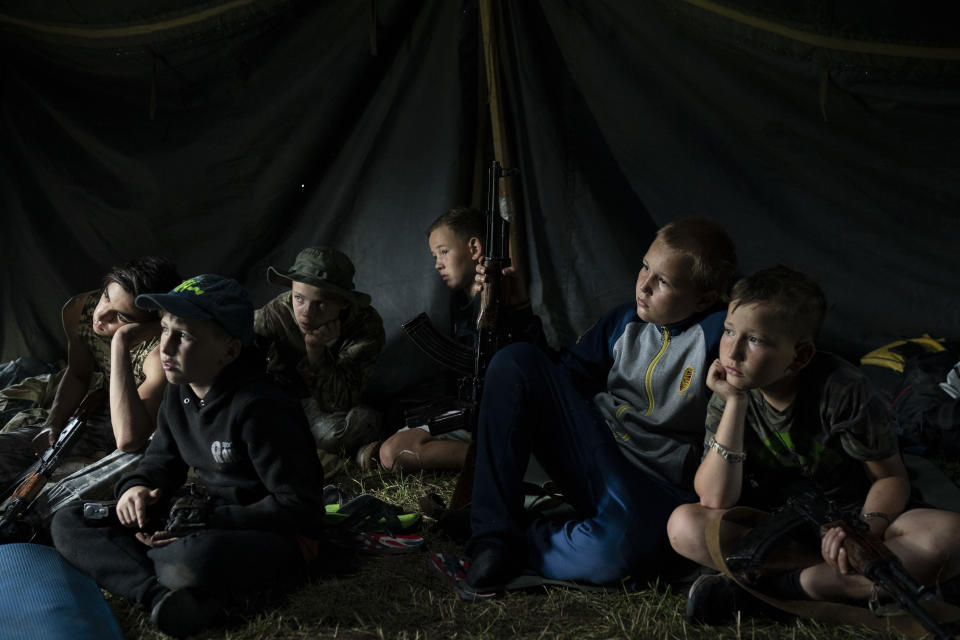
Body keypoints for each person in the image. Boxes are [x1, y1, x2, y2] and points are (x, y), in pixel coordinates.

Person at [666, 266, 960, 624]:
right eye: (729, 332)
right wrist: (735, 404)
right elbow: (714, 499)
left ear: (800, 356)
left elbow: (890, 479)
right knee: (684, 525)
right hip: (775, 532)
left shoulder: (844, 390)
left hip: (852, 519)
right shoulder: (731, 392)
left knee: (948, 534)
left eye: (755, 340)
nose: (733, 351)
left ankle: (784, 591)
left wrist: (864, 534)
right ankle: (843, 584)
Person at [465, 217, 738, 589]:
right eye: (645, 267)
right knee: (517, 361)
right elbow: (560, 380)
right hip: (596, 453)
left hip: (655, 487)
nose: (643, 285)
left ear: (704, 298)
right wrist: (518, 311)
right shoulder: (623, 321)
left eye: (664, 281)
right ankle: (492, 539)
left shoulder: (720, 337)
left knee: (614, 552)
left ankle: (524, 536)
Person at [51, 274, 327, 638]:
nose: (165, 347)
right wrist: (136, 488)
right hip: (197, 521)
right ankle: (159, 596)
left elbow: (300, 507)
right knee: (70, 520)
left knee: (191, 560)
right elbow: (159, 463)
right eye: (164, 330)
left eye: (183, 336)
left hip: (266, 533)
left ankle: (154, 575)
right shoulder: (178, 393)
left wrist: (205, 521)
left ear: (229, 351)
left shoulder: (263, 408)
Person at [373, 206, 541, 473]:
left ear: (474, 248)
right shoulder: (461, 303)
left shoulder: (504, 300)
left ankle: (499, 462)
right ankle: (493, 459)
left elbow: (536, 364)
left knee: (393, 453)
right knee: (394, 437)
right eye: (435, 255)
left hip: (502, 420)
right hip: (471, 414)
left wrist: (520, 309)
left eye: (443, 251)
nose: (437, 263)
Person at [0, 256, 182, 491]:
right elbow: (78, 373)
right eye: (106, 296)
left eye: (122, 317)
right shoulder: (79, 310)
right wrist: (52, 423)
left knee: (75, 488)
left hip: (142, 424)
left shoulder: (160, 353)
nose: (102, 314)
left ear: (151, 323)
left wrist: (120, 342)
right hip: (98, 409)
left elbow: (130, 438)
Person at [254, 247, 384, 457]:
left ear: (343, 303)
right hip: (278, 402)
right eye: (299, 298)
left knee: (351, 426)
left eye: (321, 303)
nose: (306, 312)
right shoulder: (274, 315)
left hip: (326, 409)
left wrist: (316, 352)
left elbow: (338, 402)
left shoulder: (364, 326)